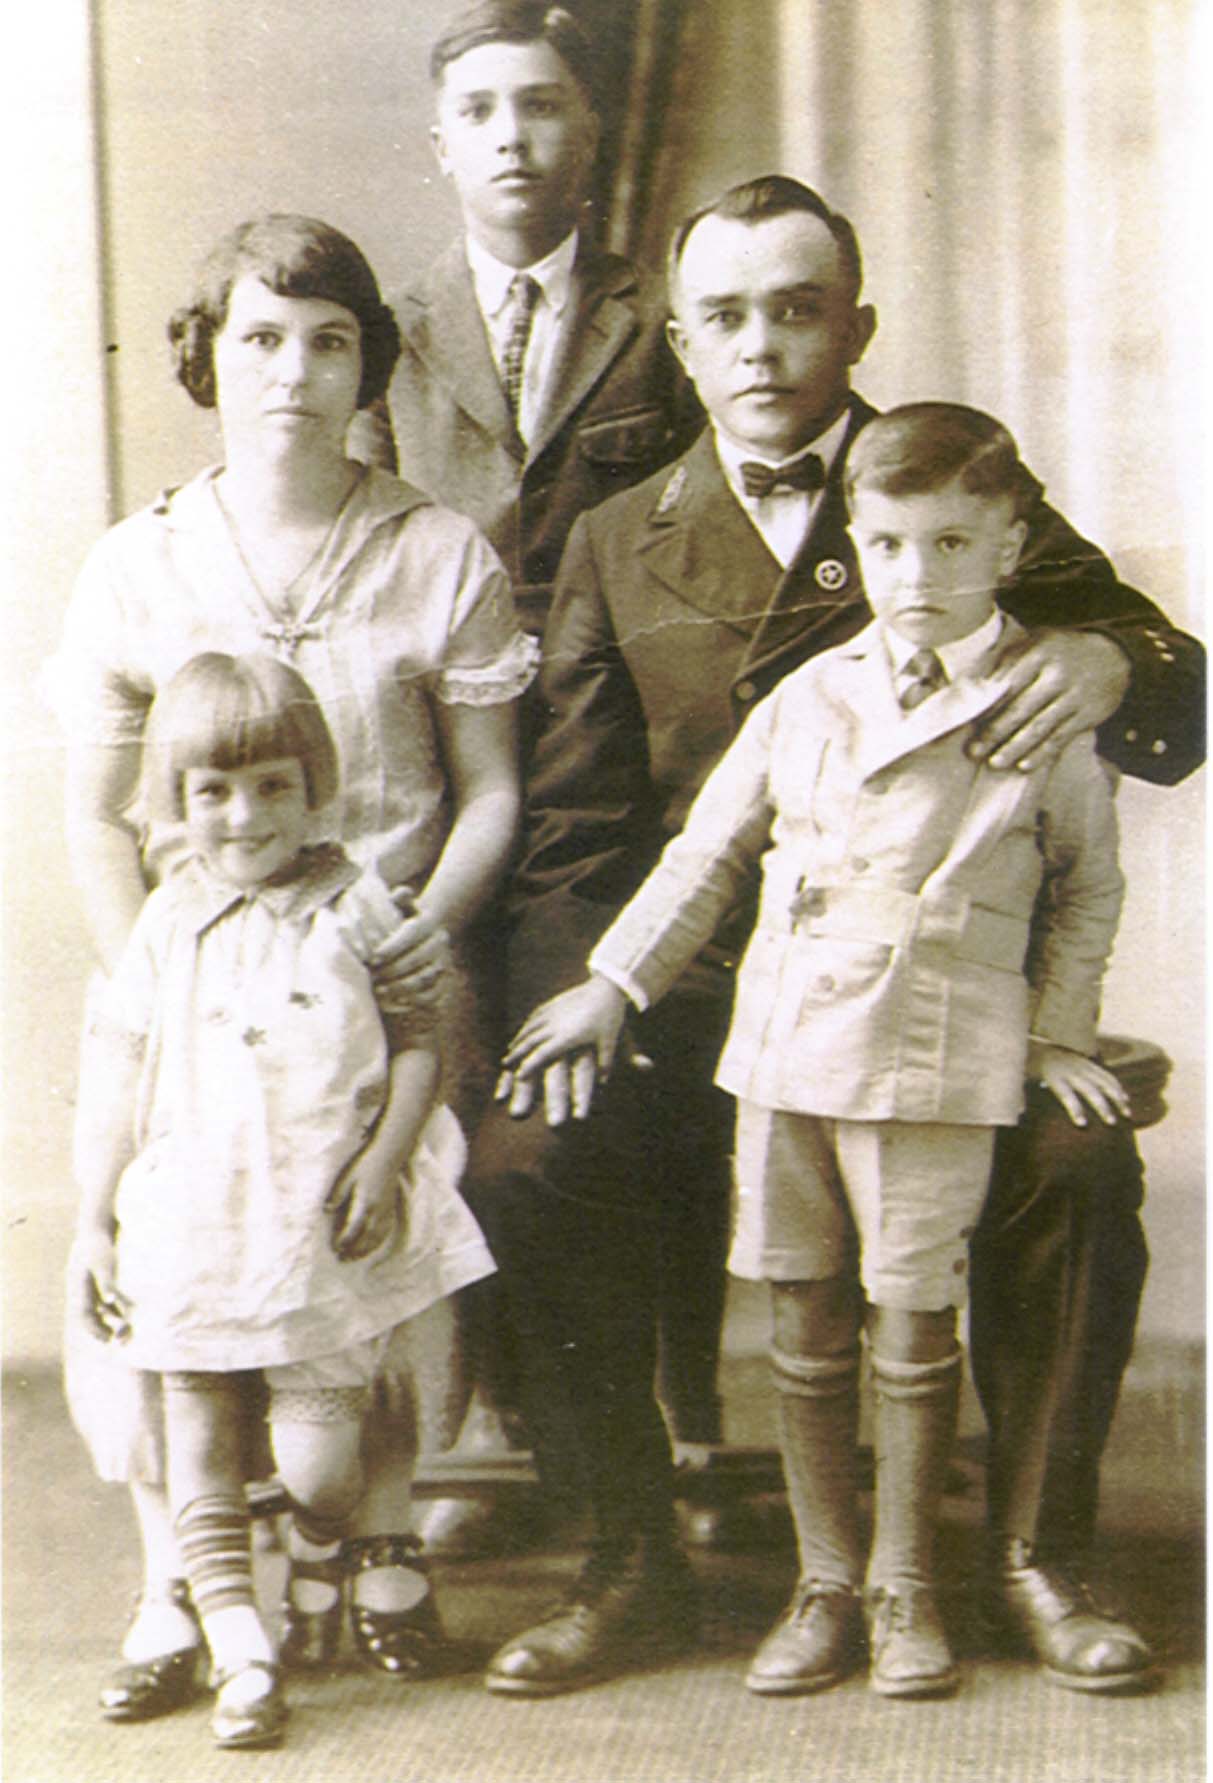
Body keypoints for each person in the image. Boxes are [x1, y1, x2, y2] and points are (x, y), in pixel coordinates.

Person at [466, 176, 1204, 1698]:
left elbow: (1176, 693)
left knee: (1074, 1163)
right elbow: (579, 836)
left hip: (940, 1013)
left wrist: (1095, 653)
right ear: (681, 342)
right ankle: (630, 1561)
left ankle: (1033, 1553)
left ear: (853, 324)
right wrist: (588, 998)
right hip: (704, 1017)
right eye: (725, 316)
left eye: (797, 309)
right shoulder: (615, 534)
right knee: (528, 1155)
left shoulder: (943, 485)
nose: (761, 347)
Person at [48, 212, 535, 1715]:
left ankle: (369, 1543)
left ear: (368, 363)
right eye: (261, 338)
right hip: (185, 997)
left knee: (370, 1266)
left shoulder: (437, 549)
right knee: (163, 1278)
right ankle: (177, 1585)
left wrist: (405, 938)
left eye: (330, 341)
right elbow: (92, 804)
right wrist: (167, 974)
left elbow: (492, 785)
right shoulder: (140, 562)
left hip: (376, 976)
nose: (294, 372)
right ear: (208, 357)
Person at [350, 0, 708, 1556]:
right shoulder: (391, 323)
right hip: (449, 760)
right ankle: (480, 1414)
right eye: (482, 111)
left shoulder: (665, 310)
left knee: (615, 1091)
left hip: (620, 764)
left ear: (589, 136)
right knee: (442, 1075)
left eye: (545, 107)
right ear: (442, 147)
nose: (514, 137)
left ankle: (682, 1404)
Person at [71, 653, 497, 1749]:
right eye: (211, 791)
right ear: (174, 804)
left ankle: (324, 1544)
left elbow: (420, 1047)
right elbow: (119, 1077)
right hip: (192, 1228)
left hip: (318, 1229)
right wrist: (93, 1216)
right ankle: (245, 1656)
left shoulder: (357, 904)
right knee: (198, 1438)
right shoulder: (166, 921)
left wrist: (384, 1156)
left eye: (271, 785)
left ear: (315, 787)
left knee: (318, 1466)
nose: (243, 815)